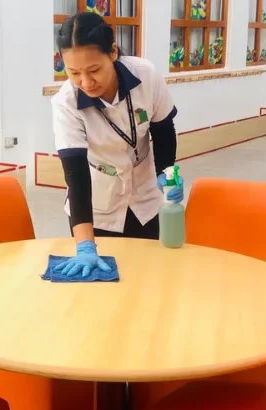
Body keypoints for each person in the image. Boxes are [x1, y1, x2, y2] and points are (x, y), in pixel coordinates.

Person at [51, 12, 183, 277]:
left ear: (113, 52)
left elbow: (163, 131)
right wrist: (86, 245)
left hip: (147, 202)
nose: (85, 82)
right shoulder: (66, 103)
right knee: (101, 292)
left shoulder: (146, 76)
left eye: (94, 70)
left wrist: (166, 175)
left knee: (152, 278)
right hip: (97, 208)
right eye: (74, 72)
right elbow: (76, 177)